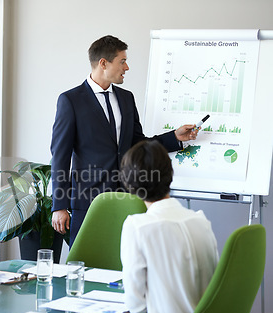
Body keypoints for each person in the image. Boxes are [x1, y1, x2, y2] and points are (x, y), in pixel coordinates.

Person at [50, 35, 199, 246]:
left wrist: (174, 137)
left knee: (127, 265)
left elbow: (139, 144)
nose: (127, 67)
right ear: (103, 63)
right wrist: (59, 205)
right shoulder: (70, 101)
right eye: (122, 61)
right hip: (88, 203)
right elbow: (60, 156)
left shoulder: (126, 98)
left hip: (128, 200)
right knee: (86, 266)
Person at [105, 140, 219, 313]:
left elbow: (136, 305)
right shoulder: (201, 220)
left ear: (130, 184)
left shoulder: (137, 226)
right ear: (170, 175)